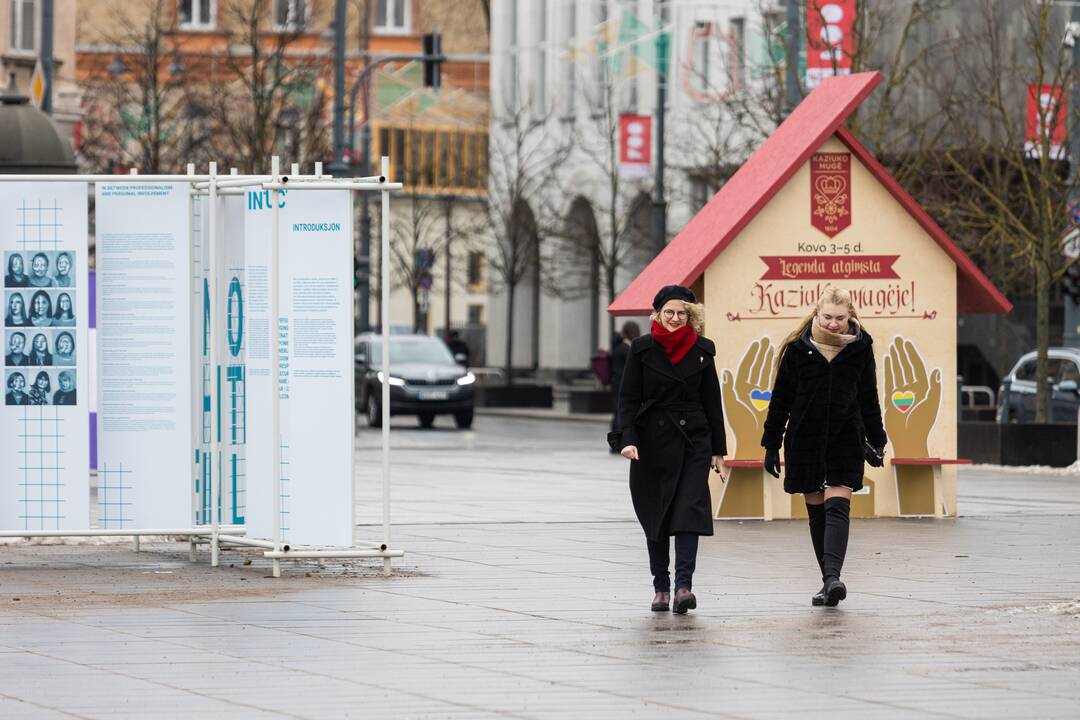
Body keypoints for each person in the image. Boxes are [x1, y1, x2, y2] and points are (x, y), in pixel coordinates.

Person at [761, 287, 887, 608]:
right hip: (805, 439)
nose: (833, 324)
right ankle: (829, 581)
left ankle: (833, 577)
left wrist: (877, 439)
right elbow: (781, 400)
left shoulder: (860, 348)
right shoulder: (798, 349)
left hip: (846, 437)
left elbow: (868, 397)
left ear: (850, 317)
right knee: (817, 511)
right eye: (827, 317)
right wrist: (772, 444)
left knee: (837, 506)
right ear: (817, 314)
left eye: (840, 319)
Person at [615, 285, 727, 615]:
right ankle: (660, 587)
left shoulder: (704, 350)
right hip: (650, 443)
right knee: (656, 514)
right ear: (658, 315)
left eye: (682, 313)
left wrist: (717, 450)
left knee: (688, 512)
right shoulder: (641, 349)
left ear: (691, 316)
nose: (676, 318)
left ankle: (683, 587)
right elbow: (628, 399)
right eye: (669, 313)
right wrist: (628, 438)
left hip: (694, 441)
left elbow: (712, 402)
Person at [609, 321, 640, 453]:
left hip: (615, 384)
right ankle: (618, 441)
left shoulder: (617, 348)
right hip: (622, 385)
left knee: (617, 412)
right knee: (621, 413)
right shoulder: (626, 350)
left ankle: (616, 441)